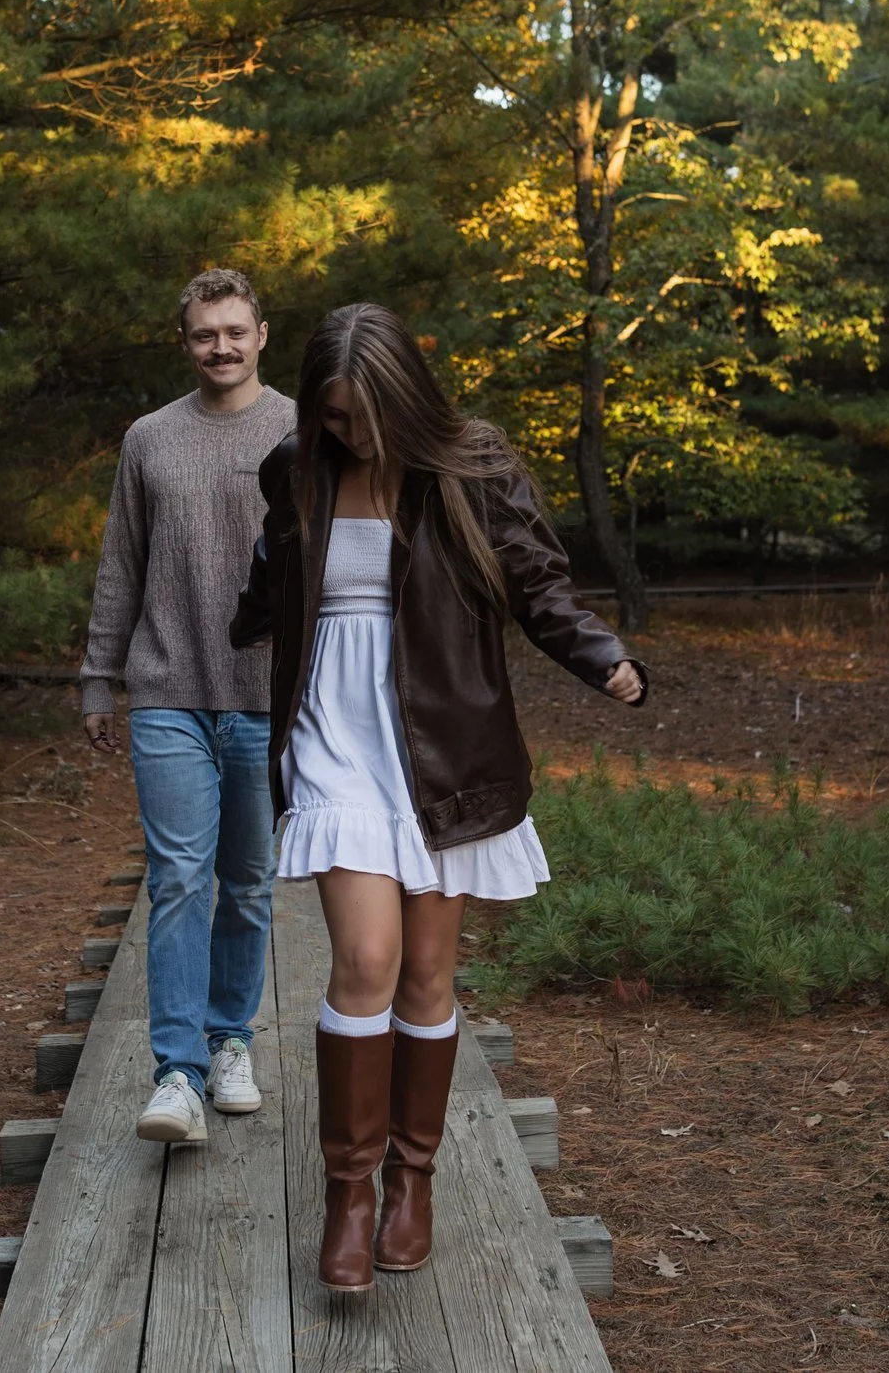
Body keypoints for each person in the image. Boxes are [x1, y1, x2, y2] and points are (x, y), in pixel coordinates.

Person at [231, 302, 646, 1293]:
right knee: (363, 955)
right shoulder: (296, 469)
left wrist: (604, 656)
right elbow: (269, 569)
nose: (350, 434)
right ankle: (349, 1192)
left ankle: (412, 1179)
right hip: (334, 730)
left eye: (365, 416)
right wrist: (243, 619)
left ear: (406, 396)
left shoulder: (474, 469)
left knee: (425, 971)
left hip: (443, 742)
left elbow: (540, 584)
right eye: (333, 417)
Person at [81, 268, 296, 1145]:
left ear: (261, 335)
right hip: (167, 686)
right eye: (206, 333)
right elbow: (119, 565)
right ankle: (175, 1071)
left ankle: (230, 1041)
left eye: (235, 331)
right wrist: (99, 675)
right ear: (186, 342)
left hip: (265, 697)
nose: (221, 346)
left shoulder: (299, 430)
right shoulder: (148, 439)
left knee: (248, 883)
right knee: (177, 878)